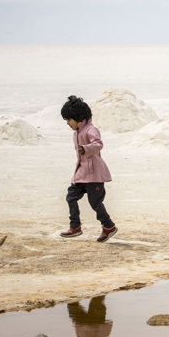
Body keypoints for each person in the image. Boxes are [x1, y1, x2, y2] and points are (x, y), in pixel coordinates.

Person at [60, 95, 118, 243]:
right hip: (81, 173)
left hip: (94, 175)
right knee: (71, 196)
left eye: (68, 119)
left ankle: (108, 226)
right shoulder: (77, 132)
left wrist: (86, 149)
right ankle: (75, 227)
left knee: (95, 203)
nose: (67, 123)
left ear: (78, 118)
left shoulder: (91, 130)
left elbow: (98, 144)